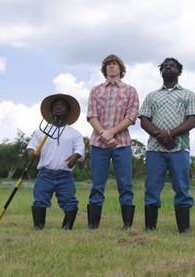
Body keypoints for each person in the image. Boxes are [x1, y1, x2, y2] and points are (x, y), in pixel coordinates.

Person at [138, 57, 195, 234]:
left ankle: (184, 230)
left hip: (179, 148)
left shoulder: (188, 94)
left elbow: (192, 120)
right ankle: (150, 228)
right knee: (151, 187)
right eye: (165, 66)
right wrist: (160, 135)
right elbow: (144, 120)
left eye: (172, 66)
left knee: (181, 186)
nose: (168, 67)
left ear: (179, 72)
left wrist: (171, 134)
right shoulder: (152, 96)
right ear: (161, 72)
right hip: (154, 150)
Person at [86, 54, 139, 229]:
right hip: (98, 144)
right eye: (108, 64)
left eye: (115, 64)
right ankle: (93, 226)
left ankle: (127, 226)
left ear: (121, 69)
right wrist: (103, 133)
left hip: (122, 144)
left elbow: (131, 116)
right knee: (97, 184)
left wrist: (112, 133)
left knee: (125, 184)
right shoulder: (96, 90)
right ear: (105, 69)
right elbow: (91, 115)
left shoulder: (130, 91)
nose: (112, 66)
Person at [27, 93, 85, 230]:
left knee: (70, 202)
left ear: (68, 111)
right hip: (44, 174)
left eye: (62, 105)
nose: (59, 107)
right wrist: (31, 153)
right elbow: (31, 147)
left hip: (65, 176)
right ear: (51, 110)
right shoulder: (42, 132)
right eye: (56, 105)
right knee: (39, 200)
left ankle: (66, 228)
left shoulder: (74, 133)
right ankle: (38, 228)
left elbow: (80, 149)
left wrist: (75, 157)